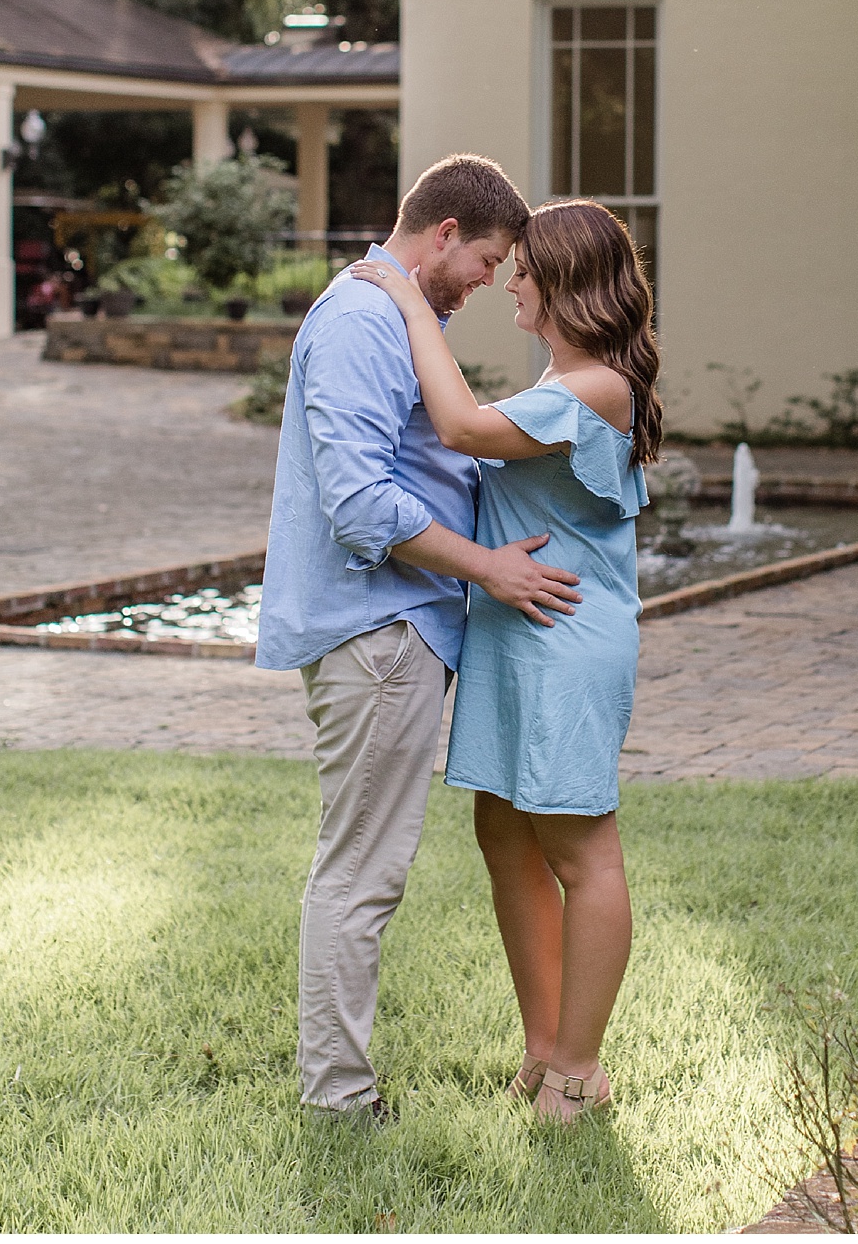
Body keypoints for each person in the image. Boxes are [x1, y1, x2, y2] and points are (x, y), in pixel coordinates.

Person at [255, 155, 583, 1121]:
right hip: (381, 629)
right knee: (361, 872)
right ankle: (338, 1100)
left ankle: (337, 1090)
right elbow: (360, 505)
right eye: (486, 262)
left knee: (360, 866)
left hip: (393, 627)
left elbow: (436, 459)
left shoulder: (396, 315)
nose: (489, 283)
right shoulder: (365, 319)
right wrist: (490, 568)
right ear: (443, 233)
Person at [350, 198, 660, 1123]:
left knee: (580, 850)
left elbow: (461, 429)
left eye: (523, 268)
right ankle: (541, 1045)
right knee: (505, 837)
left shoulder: (596, 387)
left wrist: (411, 306)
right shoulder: (562, 385)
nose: (510, 281)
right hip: (513, 632)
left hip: (564, 639)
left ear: (565, 282)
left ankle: (577, 1069)